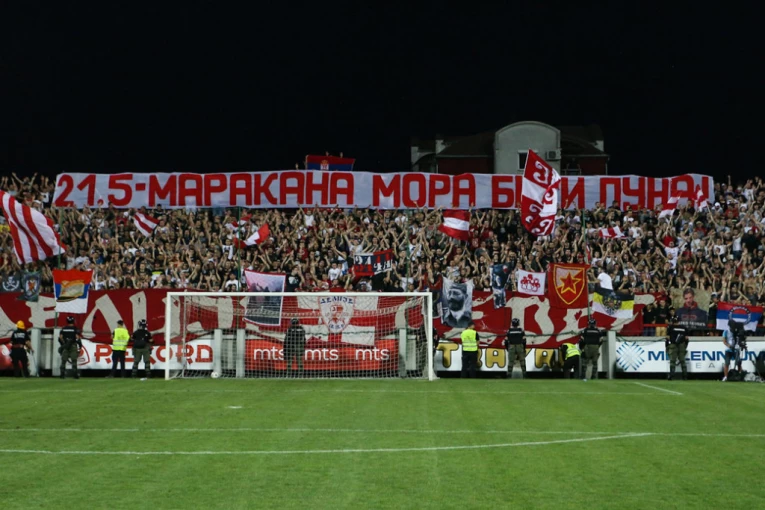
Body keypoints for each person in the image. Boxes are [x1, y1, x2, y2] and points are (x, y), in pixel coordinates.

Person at [666, 315, 689, 380]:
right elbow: (686, 338)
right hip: (682, 345)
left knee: (672, 360)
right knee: (682, 360)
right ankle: (685, 375)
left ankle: (671, 375)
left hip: (673, 345)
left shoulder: (670, 327)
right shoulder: (684, 328)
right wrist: (685, 346)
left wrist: (667, 346)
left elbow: (668, 337)